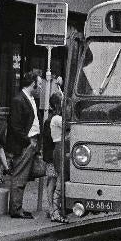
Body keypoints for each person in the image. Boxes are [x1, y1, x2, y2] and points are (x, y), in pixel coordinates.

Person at [5, 69, 43, 219]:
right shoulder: (18, 100)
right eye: (39, 84)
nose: (40, 87)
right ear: (33, 84)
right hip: (24, 144)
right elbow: (15, 126)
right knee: (20, 177)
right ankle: (15, 209)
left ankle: (17, 207)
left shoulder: (31, 99)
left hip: (32, 142)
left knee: (27, 175)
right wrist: (28, 141)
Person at [41, 92, 68, 223]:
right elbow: (50, 141)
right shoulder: (53, 119)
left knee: (53, 180)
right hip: (53, 154)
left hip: (52, 154)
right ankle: (52, 208)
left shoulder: (51, 118)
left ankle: (53, 208)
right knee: (53, 181)